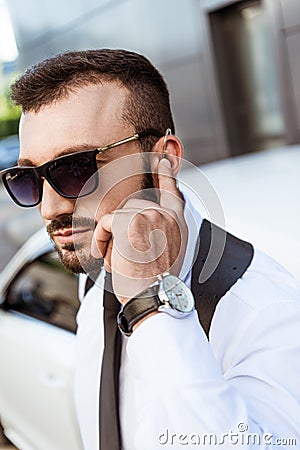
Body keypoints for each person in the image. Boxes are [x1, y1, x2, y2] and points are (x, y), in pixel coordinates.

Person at [1, 49, 300, 449]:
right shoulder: (96, 271)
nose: (49, 208)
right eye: (28, 179)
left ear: (164, 158)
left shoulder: (267, 314)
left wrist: (150, 303)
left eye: (75, 169)